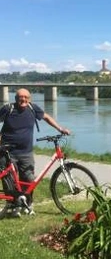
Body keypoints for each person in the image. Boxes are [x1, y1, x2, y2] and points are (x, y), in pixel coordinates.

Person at [0, 88, 70, 217]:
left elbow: (46, 117)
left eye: (26, 97)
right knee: (10, 181)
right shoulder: (8, 109)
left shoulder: (33, 108)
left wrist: (60, 128)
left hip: (26, 152)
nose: (23, 100)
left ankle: (27, 204)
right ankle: (12, 205)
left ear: (29, 99)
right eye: (21, 97)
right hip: (7, 152)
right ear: (16, 98)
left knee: (29, 179)